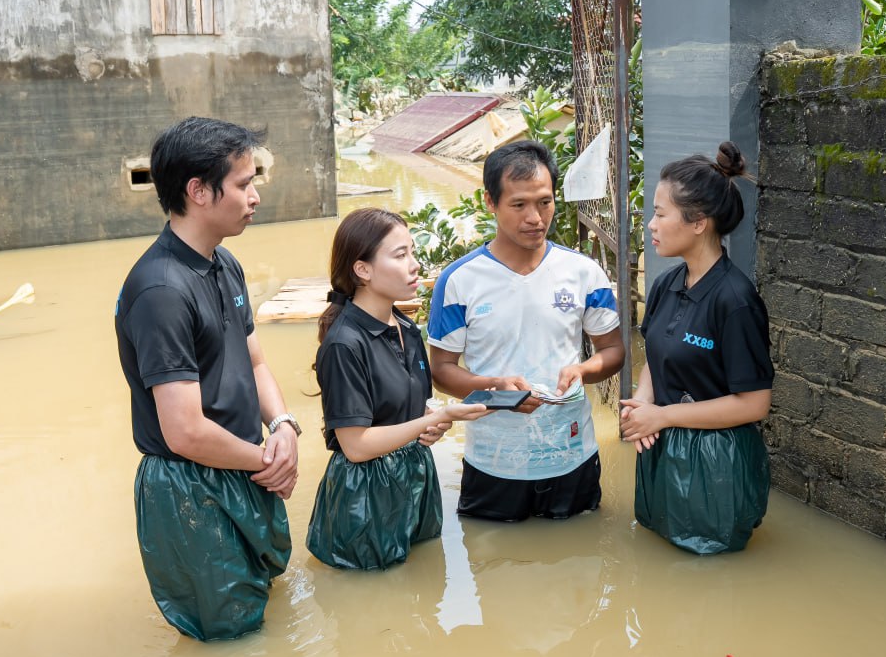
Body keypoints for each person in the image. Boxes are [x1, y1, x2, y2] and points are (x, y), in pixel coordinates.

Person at [114, 116, 299, 641]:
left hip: (243, 461)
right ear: (198, 191)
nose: (255, 197)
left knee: (264, 604)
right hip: (190, 486)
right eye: (243, 184)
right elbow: (185, 431)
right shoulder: (162, 291)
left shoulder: (223, 263)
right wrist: (270, 461)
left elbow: (254, 361)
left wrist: (283, 425)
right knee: (228, 636)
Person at [427, 140, 625, 522]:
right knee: (492, 551)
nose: (535, 218)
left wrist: (583, 370)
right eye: (519, 205)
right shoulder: (459, 281)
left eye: (545, 202)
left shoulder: (584, 273)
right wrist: (496, 387)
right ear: (490, 202)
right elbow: (441, 370)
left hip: (572, 453)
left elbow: (613, 350)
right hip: (494, 461)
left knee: (580, 548)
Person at [307, 208, 489, 570]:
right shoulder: (345, 344)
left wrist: (432, 421)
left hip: (415, 476)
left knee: (426, 580)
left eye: (412, 252)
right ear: (363, 269)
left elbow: (405, 411)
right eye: (400, 255)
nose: (415, 264)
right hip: (366, 494)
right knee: (374, 590)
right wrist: (435, 418)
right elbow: (356, 446)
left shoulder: (406, 328)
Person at [619, 141, 773, 554]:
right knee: (656, 557)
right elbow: (656, 355)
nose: (650, 225)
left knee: (709, 569)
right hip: (661, 446)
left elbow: (754, 404)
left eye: (660, 213)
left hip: (716, 462)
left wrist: (662, 415)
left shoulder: (735, 301)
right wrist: (642, 404)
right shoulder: (665, 284)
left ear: (699, 222)